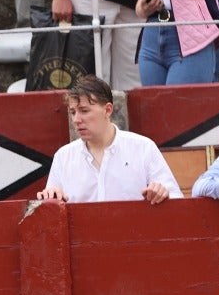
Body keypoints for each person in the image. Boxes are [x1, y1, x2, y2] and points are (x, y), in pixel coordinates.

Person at [37, 75, 182, 203]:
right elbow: (52, 210)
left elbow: (176, 200)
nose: (76, 119)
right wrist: (50, 198)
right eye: (73, 112)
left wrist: (162, 194)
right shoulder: (63, 157)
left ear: (107, 110)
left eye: (84, 111)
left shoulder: (143, 148)